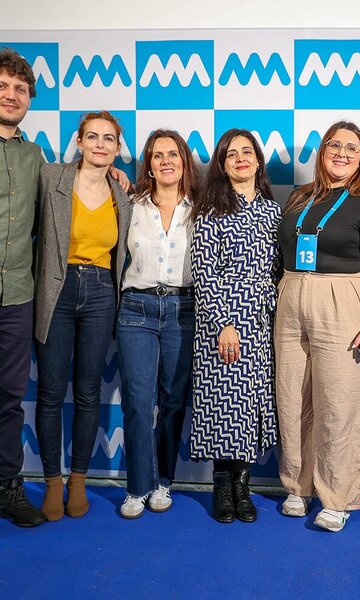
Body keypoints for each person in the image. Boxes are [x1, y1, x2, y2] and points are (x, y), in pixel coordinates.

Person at [275, 120, 360, 532]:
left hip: (342, 300)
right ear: (322, 151)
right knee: (293, 398)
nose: (342, 153)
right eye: (334, 145)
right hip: (292, 295)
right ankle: (298, 485)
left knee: (340, 402)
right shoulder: (300, 196)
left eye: (351, 148)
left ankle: (338, 497)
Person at [35, 111, 132, 521]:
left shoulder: (122, 193)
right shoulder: (50, 177)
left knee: (89, 391)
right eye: (92, 136)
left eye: (109, 139)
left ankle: (77, 480)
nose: (100, 144)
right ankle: (51, 483)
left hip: (100, 291)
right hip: (56, 288)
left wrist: (120, 178)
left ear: (117, 148)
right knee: (51, 391)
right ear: (78, 141)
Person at [190, 128, 280, 524]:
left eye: (247, 152)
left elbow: (278, 269)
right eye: (232, 154)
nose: (241, 159)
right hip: (222, 320)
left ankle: (243, 485)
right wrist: (224, 322)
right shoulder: (210, 211)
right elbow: (203, 271)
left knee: (252, 405)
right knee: (223, 405)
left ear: (258, 161)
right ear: (222, 166)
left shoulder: (274, 212)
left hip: (261, 322)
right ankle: (221, 487)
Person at [117, 130, 199, 519]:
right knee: (137, 402)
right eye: (157, 155)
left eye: (173, 154)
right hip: (137, 308)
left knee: (173, 401)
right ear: (148, 164)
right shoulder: (130, 205)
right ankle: (137, 487)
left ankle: (163, 481)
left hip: (184, 309)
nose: (166, 161)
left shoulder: (202, 208)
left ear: (184, 161)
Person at [0, 47, 45, 527]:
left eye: (19, 89)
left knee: (9, 399)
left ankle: (8, 486)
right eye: (2, 87)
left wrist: (111, 172)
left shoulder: (35, 156)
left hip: (16, 296)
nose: (11, 96)